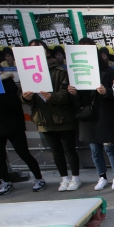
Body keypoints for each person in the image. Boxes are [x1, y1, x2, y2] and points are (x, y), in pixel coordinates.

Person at [21, 39, 81, 192]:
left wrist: (51, 97)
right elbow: (22, 95)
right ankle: (64, 178)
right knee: (56, 152)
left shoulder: (60, 72)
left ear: (46, 52)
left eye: (38, 49)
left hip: (63, 118)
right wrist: (25, 97)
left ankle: (75, 178)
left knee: (69, 149)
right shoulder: (27, 73)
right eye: (31, 49)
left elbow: (66, 94)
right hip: (43, 119)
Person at [68, 37, 114, 191]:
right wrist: (74, 94)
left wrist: (106, 92)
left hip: (105, 114)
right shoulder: (75, 72)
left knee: (109, 147)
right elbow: (76, 100)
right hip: (88, 116)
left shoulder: (107, 70)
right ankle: (102, 176)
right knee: (94, 149)